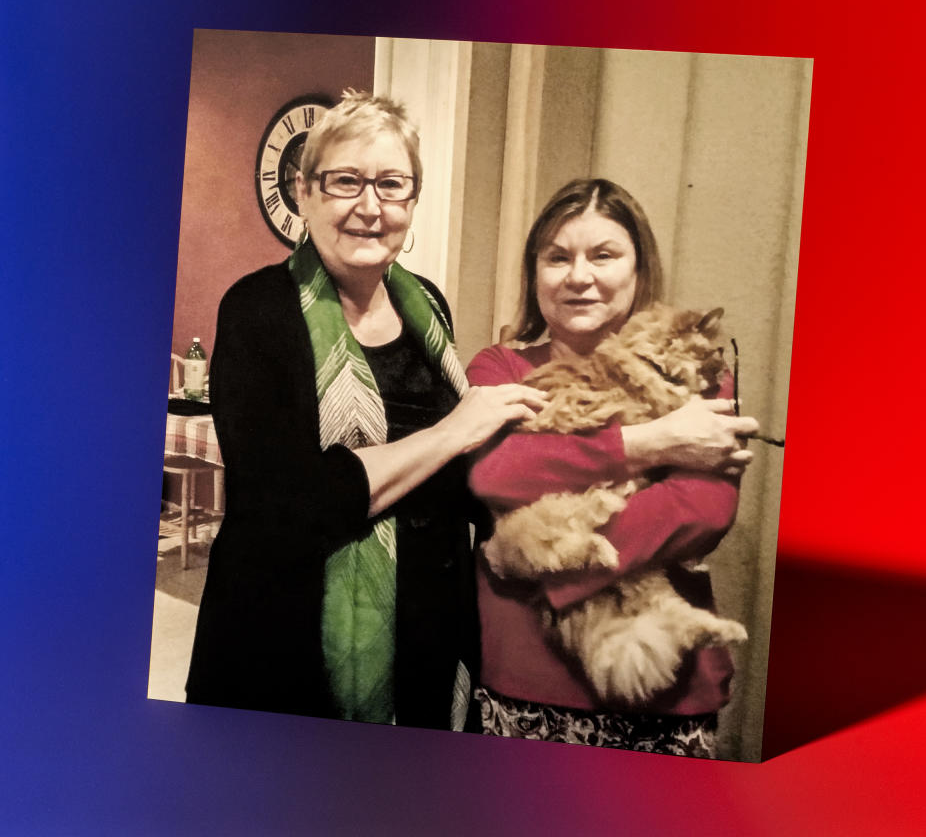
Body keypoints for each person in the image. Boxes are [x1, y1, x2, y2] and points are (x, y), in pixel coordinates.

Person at [186, 90, 544, 729]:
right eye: (346, 181)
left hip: (428, 640)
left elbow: (459, 487)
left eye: (391, 184)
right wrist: (454, 431)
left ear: (413, 200)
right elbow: (285, 506)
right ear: (304, 191)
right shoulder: (257, 311)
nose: (370, 207)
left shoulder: (427, 306)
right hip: (285, 649)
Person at [466, 178, 758, 757]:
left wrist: (536, 561)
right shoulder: (500, 367)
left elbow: (702, 509)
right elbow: (496, 473)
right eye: (557, 257)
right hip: (529, 683)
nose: (579, 276)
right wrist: (653, 442)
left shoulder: (697, 368)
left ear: (639, 270)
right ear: (534, 274)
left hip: (668, 691)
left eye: (603, 255)